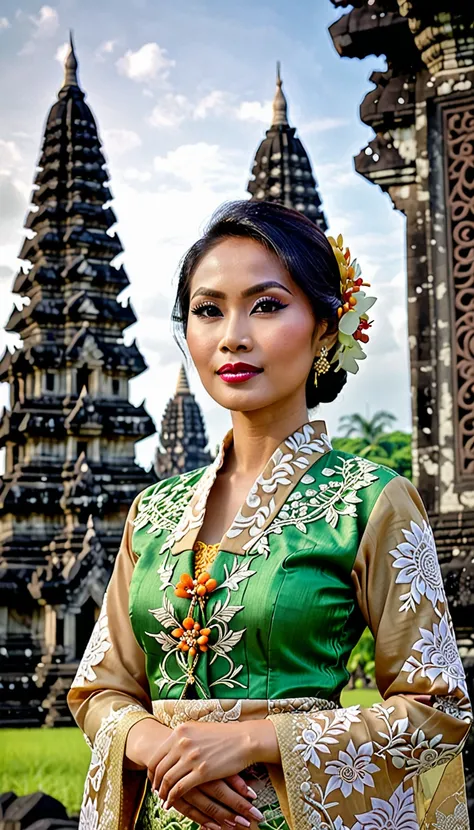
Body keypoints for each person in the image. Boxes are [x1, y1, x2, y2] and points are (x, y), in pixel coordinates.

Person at [67, 200, 472, 830]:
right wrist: (152, 745)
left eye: (267, 304)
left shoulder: (370, 499)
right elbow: (101, 688)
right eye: (209, 309)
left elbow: (437, 709)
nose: (233, 334)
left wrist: (257, 739)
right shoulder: (154, 509)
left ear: (325, 328)